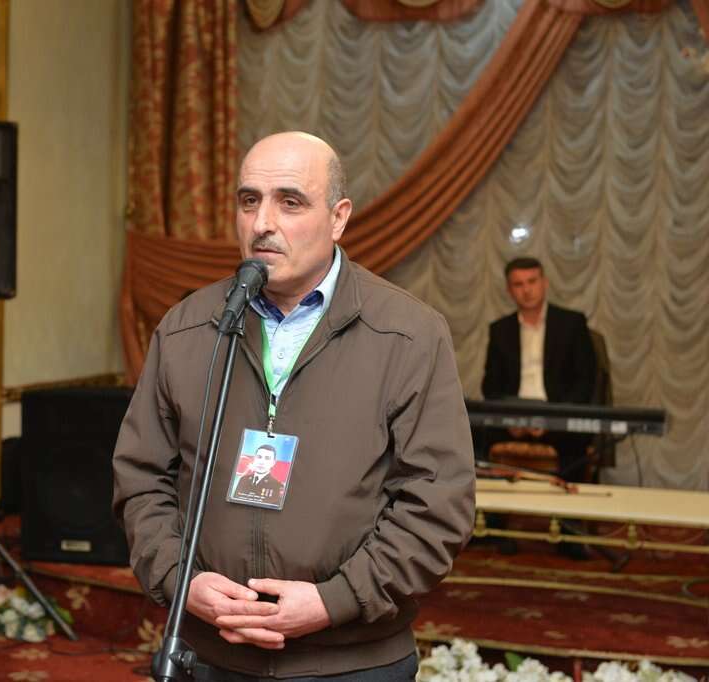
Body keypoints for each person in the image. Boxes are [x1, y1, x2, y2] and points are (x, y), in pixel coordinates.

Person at [113, 132, 475, 680]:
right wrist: (182, 582)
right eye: (249, 200)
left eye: (290, 202)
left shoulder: (408, 334)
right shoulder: (188, 327)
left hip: (351, 661)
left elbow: (438, 502)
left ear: (339, 218)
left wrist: (335, 600)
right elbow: (141, 479)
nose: (262, 222)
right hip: (210, 653)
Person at [481, 257, 597, 483]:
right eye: (518, 284)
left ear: (544, 283)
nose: (527, 290)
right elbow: (491, 386)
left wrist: (550, 421)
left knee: (576, 440)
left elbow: (585, 382)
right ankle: (492, 503)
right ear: (509, 290)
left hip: (557, 416)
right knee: (472, 435)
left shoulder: (572, 323)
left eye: (532, 281)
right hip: (513, 416)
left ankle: (567, 504)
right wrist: (511, 420)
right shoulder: (500, 330)